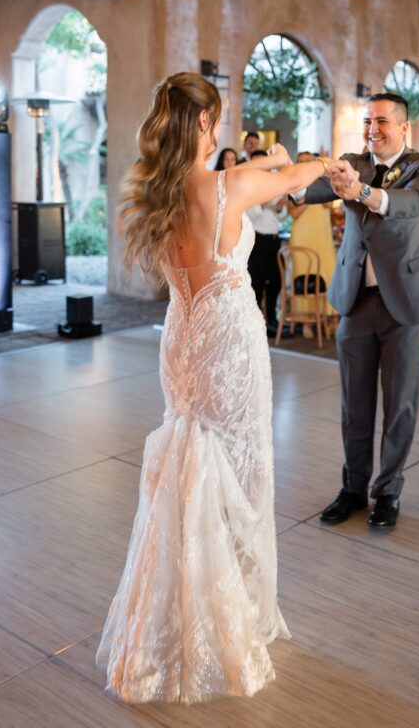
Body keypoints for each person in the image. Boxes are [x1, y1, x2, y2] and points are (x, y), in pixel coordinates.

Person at [97, 73, 333, 704]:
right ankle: (231, 618)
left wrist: (268, 159)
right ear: (204, 124)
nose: (222, 127)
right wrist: (308, 160)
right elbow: (292, 180)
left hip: (181, 338)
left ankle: (167, 623)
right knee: (241, 474)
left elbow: (262, 172)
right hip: (229, 341)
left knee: (189, 461)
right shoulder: (229, 186)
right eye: (218, 118)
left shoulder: (160, 190)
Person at [294, 93, 419, 529]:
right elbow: (308, 191)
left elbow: (411, 205)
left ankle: (387, 493)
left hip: (404, 301)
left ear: (404, 127)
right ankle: (352, 489)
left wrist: (361, 191)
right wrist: (286, 175)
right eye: (368, 121)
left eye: (381, 121)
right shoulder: (353, 161)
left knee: (400, 404)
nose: (372, 129)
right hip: (356, 302)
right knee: (354, 405)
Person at [288, 151, 337, 336]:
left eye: (309, 162)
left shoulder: (324, 184)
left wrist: (318, 184)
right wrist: (309, 191)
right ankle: (306, 319)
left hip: (322, 236)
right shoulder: (292, 185)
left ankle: (330, 316)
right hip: (302, 235)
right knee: (304, 275)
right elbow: (294, 213)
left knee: (328, 273)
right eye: (301, 162)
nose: (305, 164)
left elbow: (329, 206)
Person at [246, 150, 288, 338]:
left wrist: (277, 207)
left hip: (273, 240)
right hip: (257, 240)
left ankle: (272, 319)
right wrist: (262, 203)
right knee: (257, 283)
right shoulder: (247, 184)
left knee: (276, 282)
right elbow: (250, 214)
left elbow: (282, 215)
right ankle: (255, 323)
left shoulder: (272, 182)